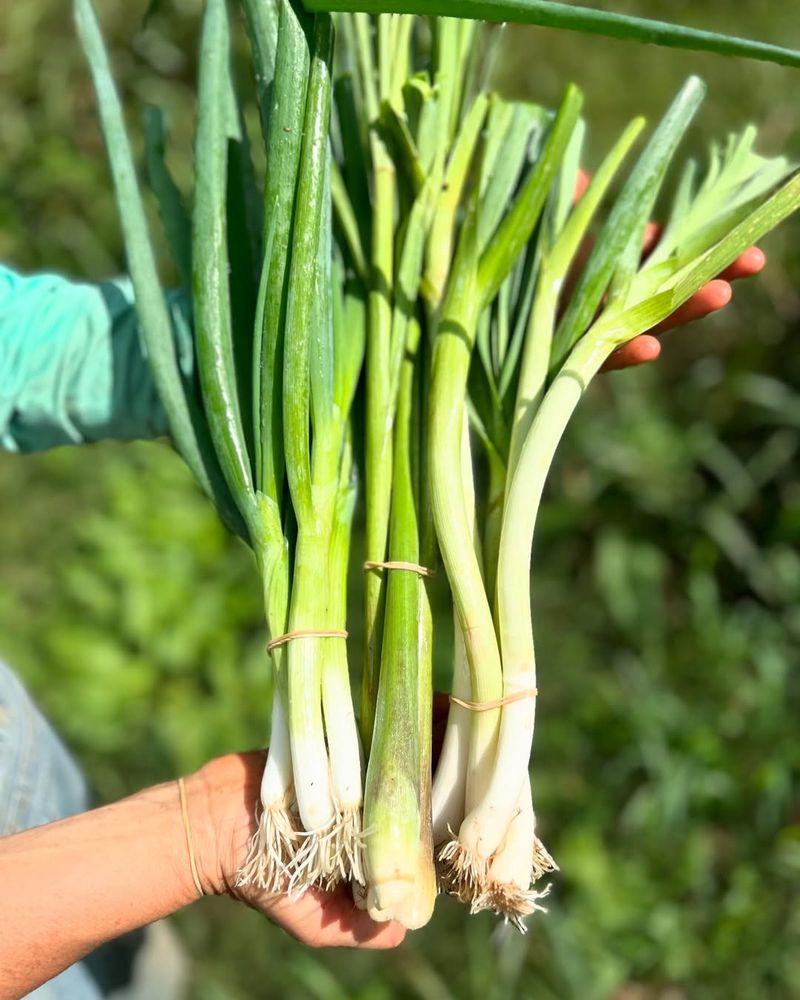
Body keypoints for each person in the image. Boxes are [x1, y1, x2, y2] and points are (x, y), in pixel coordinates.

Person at [0, 240, 766, 999]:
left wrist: (289, 350)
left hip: (50, 827)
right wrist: (190, 843)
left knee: (131, 978)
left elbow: (22, 345)